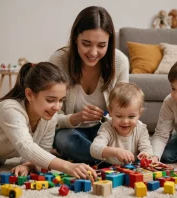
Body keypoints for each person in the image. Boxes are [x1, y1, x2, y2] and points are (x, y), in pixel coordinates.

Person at [49, 6, 129, 165]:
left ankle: (96, 157)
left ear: (109, 42)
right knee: (63, 139)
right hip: (72, 132)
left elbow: (125, 108)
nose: (93, 53)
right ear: (75, 38)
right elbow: (49, 118)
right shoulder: (59, 61)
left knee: (125, 141)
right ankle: (108, 159)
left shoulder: (119, 62)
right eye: (86, 43)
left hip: (106, 133)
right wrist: (74, 118)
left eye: (101, 45)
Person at [90, 82, 153, 165]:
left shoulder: (141, 129)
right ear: (110, 112)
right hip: (109, 167)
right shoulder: (107, 128)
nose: (125, 121)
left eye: (131, 116)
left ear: (139, 114)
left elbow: (147, 148)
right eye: (119, 116)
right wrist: (115, 151)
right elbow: (94, 149)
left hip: (132, 168)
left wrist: (145, 154)